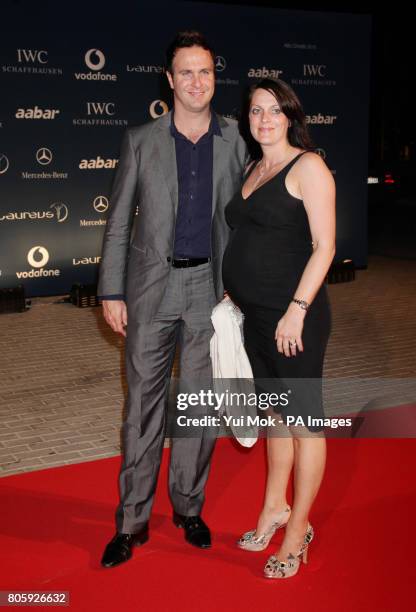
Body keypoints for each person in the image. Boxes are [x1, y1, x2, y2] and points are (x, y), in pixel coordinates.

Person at [98, 31, 248, 568]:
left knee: (198, 407)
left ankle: (188, 507)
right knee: (143, 406)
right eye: (185, 72)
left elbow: (242, 221)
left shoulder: (235, 140)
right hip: (149, 290)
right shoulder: (140, 140)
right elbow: (118, 224)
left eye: (205, 71)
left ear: (215, 77)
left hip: (210, 288)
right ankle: (132, 521)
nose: (196, 82)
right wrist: (112, 290)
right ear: (169, 79)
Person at [222, 78, 335, 579]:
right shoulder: (254, 167)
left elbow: (324, 247)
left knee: (306, 425)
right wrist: (236, 290)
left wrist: (297, 308)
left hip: (294, 320)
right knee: (275, 419)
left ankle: (298, 531)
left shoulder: (307, 166)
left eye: (274, 110)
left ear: (290, 115)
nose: (264, 120)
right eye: (255, 112)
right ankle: (273, 508)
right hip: (255, 318)